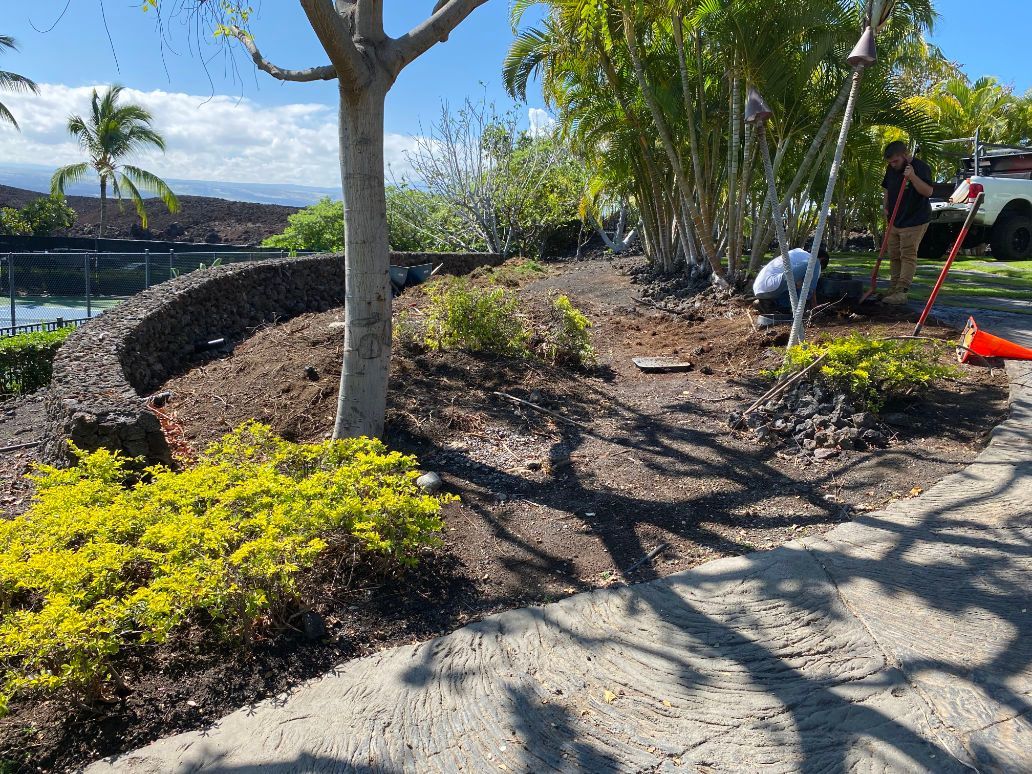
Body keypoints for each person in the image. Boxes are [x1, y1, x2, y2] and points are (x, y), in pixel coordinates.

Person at [880, 140, 934, 305]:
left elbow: (928, 191)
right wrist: (886, 205)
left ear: (905, 155)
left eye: (895, 161)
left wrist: (912, 177)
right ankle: (893, 288)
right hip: (895, 220)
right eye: (890, 162)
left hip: (914, 220)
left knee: (907, 255)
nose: (893, 164)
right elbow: (888, 188)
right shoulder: (891, 169)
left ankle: (902, 291)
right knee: (894, 255)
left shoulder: (921, 167)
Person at [752, 244, 830, 313]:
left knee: (794, 291)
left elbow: (796, 283)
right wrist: (814, 305)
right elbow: (812, 286)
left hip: (761, 290)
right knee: (814, 263)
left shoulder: (797, 253)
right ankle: (798, 309)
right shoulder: (812, 259)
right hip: (773, 284)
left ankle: (766, 304)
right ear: (822, 259)